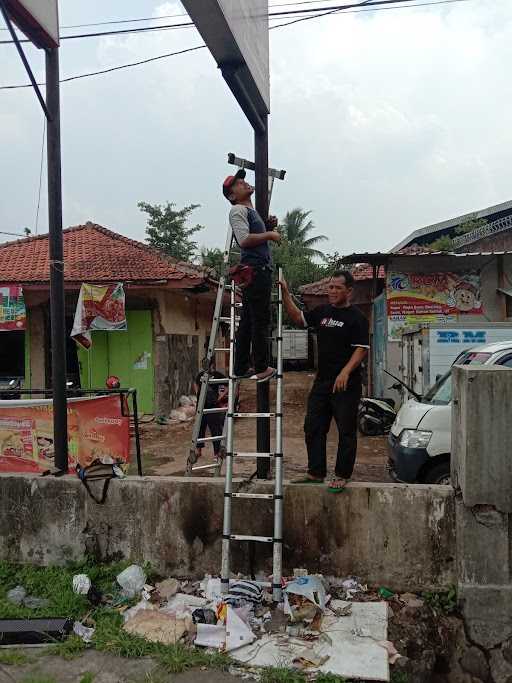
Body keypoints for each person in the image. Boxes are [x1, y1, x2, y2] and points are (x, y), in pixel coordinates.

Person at [280, 271, 369, 492]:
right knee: (313, 426)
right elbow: (298, 317)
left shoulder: (357, 317)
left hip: (346, 384)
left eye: (338, 288)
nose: (332, 291)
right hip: (322, 382)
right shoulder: (322, 312)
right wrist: (285, 294)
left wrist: (346, 372)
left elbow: (361, 349)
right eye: (330, 287)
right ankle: (316, 472)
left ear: (349, 291)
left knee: (346, 430)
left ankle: (342, 474)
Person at [222, 169, 281, 383]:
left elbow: (254, 234)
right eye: (238, 183)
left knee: (248, 320)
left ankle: (240, 367)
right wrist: (270, 234)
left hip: (255, 269)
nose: (244, 183)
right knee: (260, 320)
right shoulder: (237, 210)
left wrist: (267, 226)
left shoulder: (249, 210)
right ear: (232, 196)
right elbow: (244, 240)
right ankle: (262, 366)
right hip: (255, 269)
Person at [193, 361, 228, 460]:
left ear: (212, 365)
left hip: (212, 406)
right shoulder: (201, 375)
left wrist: (220, 397)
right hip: (201, 407)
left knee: (215, 430)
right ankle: (198, 451)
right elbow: (195, 383)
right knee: (199, 429)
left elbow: (228, 385)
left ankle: (216, 453)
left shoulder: (217, 375)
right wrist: (198, 394)